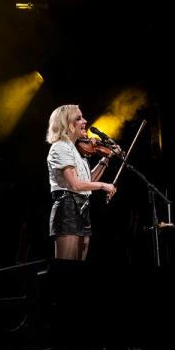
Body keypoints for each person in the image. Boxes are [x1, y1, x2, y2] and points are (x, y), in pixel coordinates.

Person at [46, 104, 116, 260]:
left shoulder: (76, 151)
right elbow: (76, 184)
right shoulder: (60, 147)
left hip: (82, 206)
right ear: (66, 123)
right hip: (67, 206)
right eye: (78, 118)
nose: (84, 121)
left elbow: (88, 181)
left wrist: (107, 157)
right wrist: (104, 185)